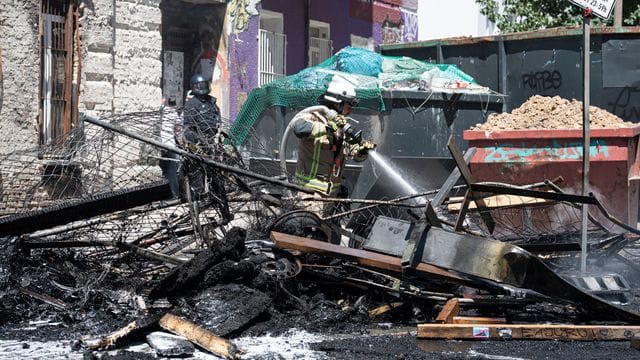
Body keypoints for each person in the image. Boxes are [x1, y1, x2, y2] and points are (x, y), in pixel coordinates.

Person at [291, 78, 376, 218]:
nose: (351, 109)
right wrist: (328, 128)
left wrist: (362, 151)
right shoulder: (313, 116)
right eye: (349, 104)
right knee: (310, 235)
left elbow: (351, 152)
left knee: (326, 238)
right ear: (338, 102)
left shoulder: (341, 126)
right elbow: (299, 128)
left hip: (332, 198)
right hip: (309, 195)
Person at [180, 74, 231, 222]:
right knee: (197, 179)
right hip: (197, 147)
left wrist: (218, 136)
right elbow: (188, 128)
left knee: (217, 180)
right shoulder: (191, 104)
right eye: (199, 85)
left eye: (204, 85)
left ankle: (224, 212)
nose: (202, 88)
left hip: (213, 146)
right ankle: (197, 216)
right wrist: (196, 144)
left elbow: (218, 121)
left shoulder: (212, 103)